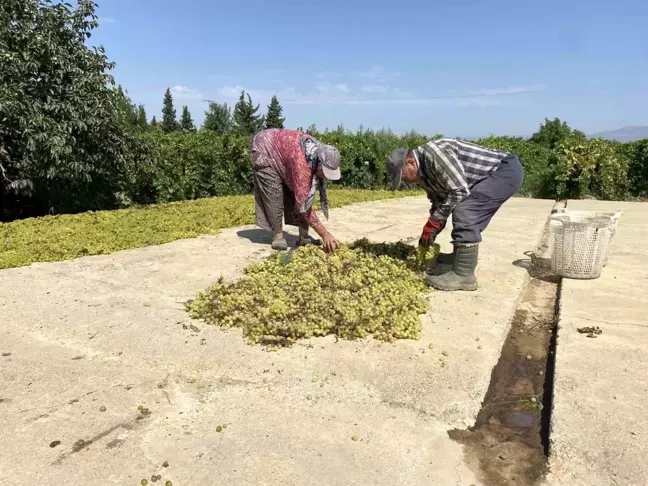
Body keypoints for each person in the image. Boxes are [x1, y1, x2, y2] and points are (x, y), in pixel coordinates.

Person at [386, 138, 524, 291]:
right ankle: (458, 259)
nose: (405, 181)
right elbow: (439, 203)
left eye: (403, 176)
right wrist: (432, 227)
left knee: (466, 211)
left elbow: (459, 191)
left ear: (411, 162)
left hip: (504, 171)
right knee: (459, 208)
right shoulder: (423, 176)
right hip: (491, 175)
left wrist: (435, 220)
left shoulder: (435, 154)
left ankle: (464, 275)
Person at [250, 128, 342, 253]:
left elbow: (307, 195)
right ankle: (277, 236)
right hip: (264, 149)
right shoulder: (302, 163)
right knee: (275, 195)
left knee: (303, 192)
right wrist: (325, 234)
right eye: (325, 172)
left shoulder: (320, 152)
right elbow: (303, 202)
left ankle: (304, 237)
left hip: (283, 152)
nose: (325, 177)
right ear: (319, 163)